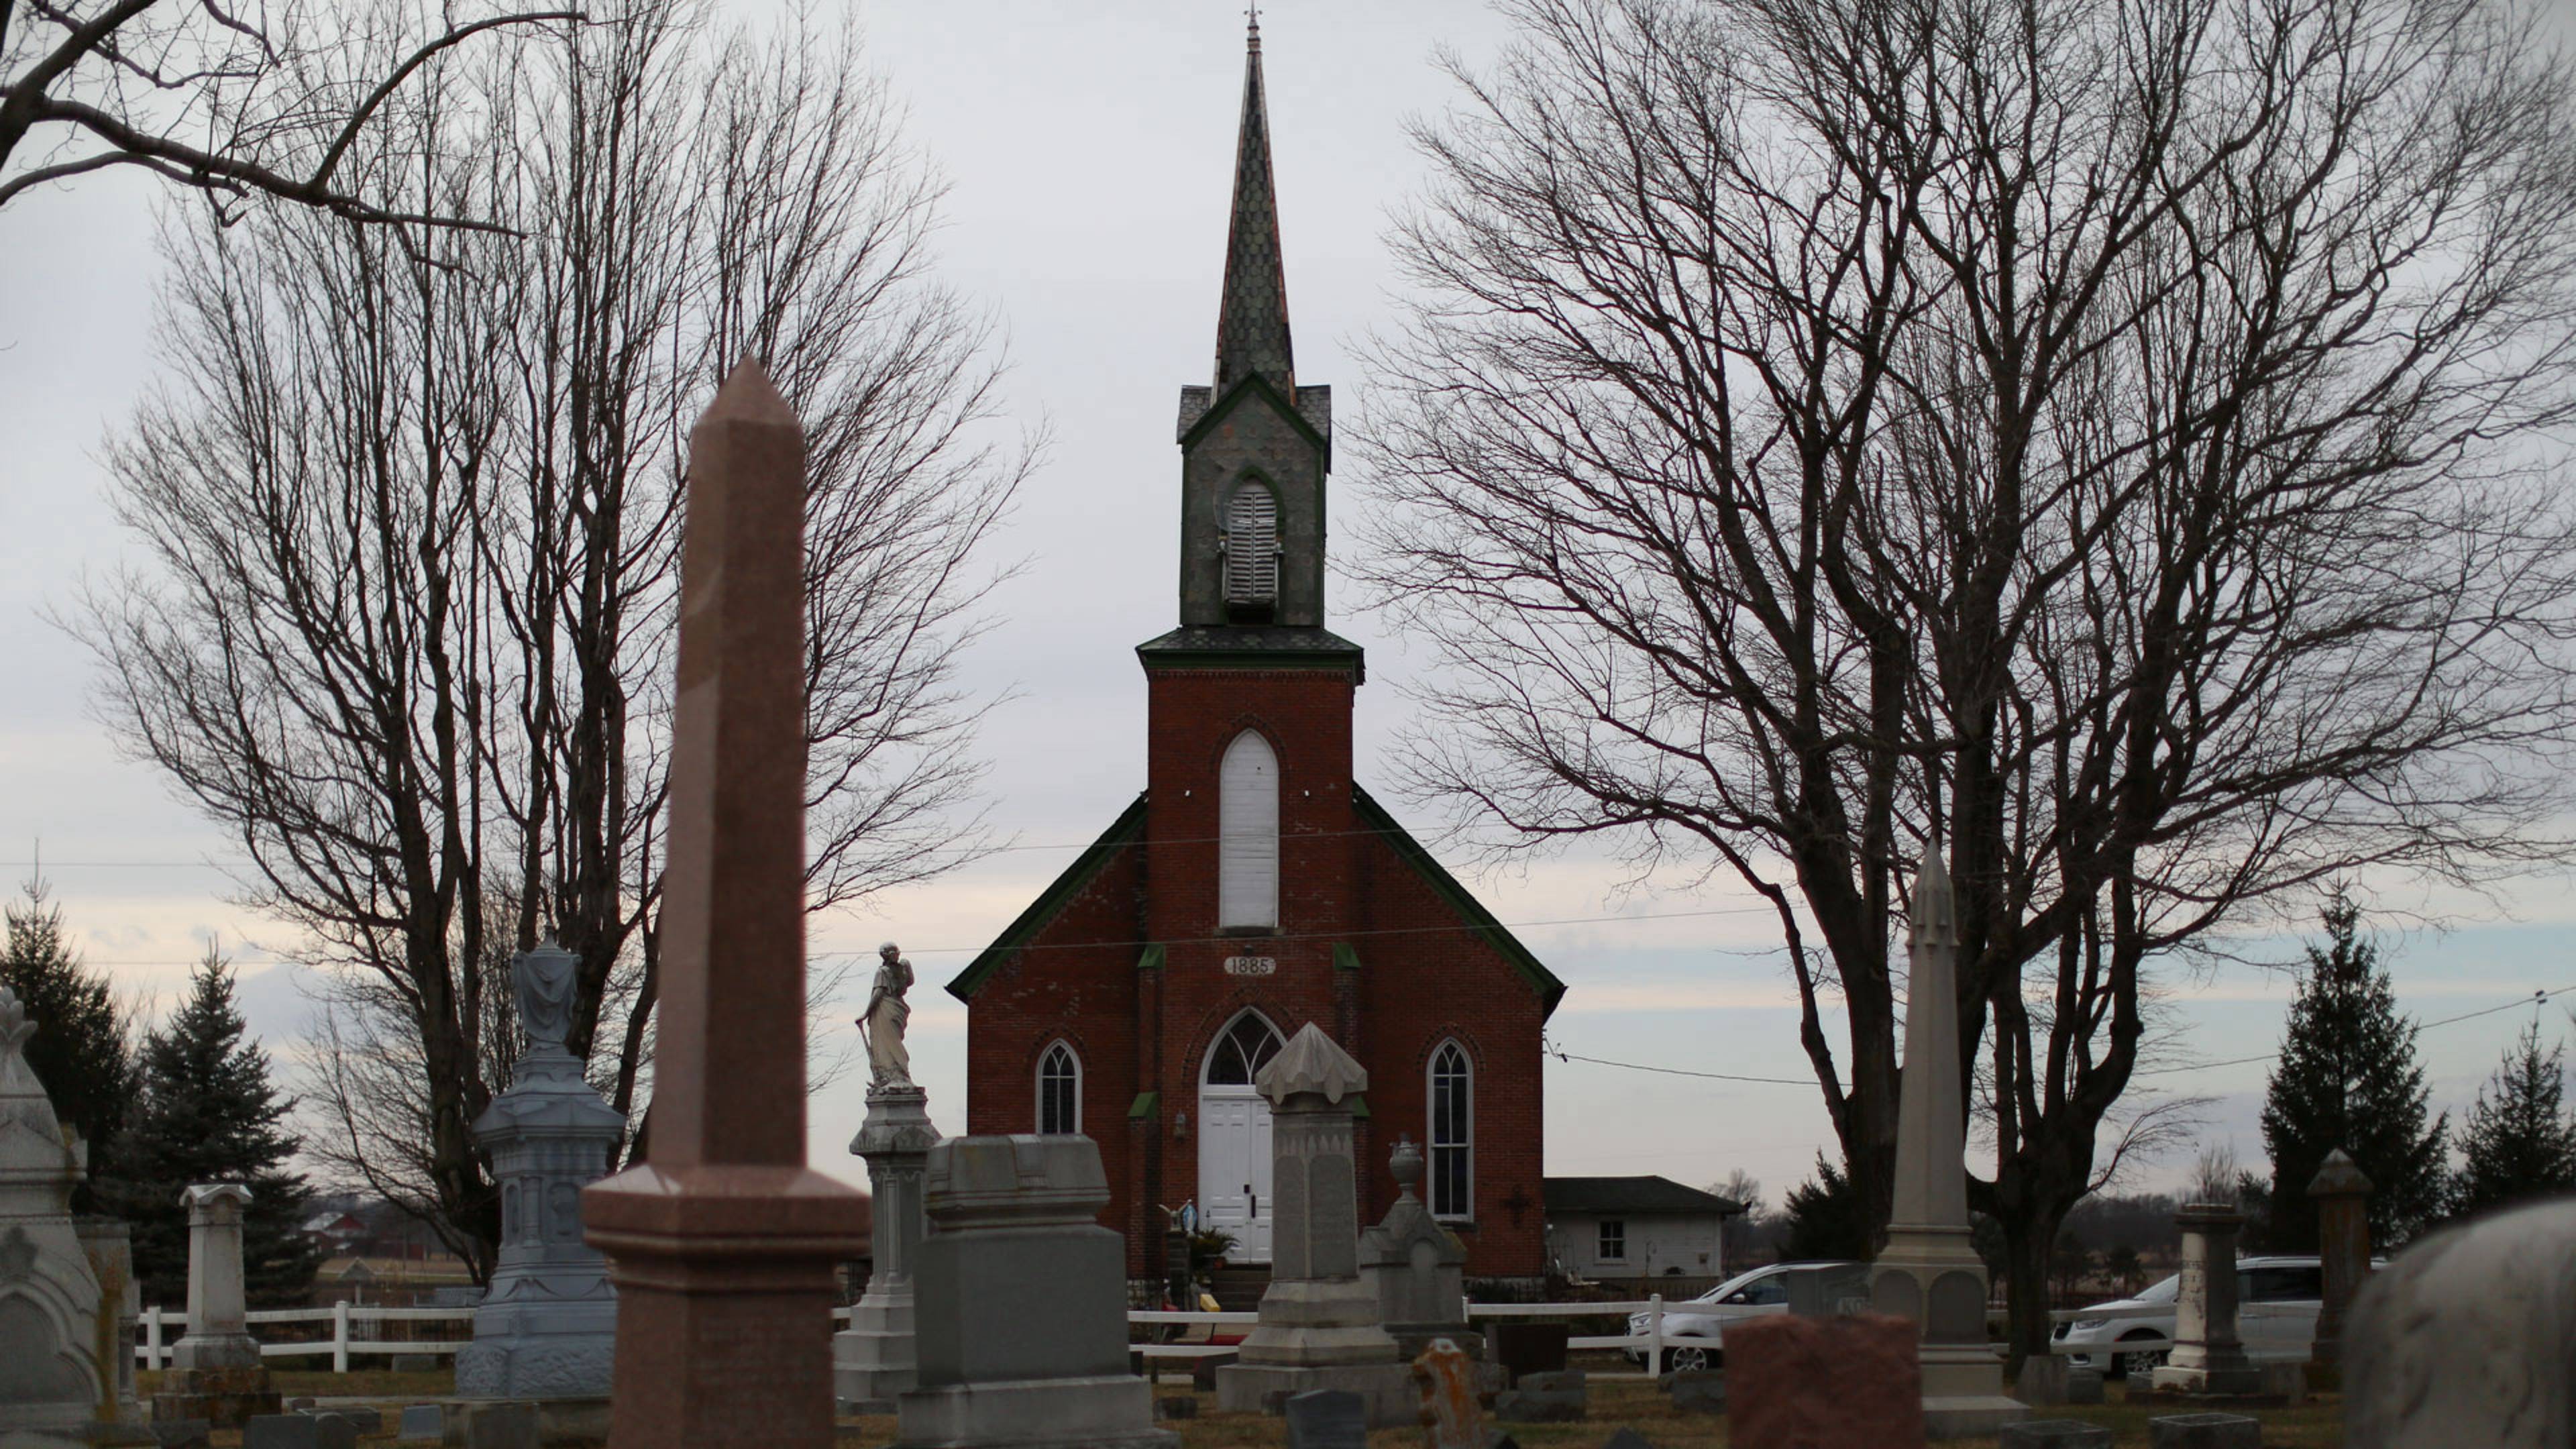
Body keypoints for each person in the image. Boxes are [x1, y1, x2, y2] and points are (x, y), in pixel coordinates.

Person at [860, 942, 914, 1089]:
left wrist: (866, 1014)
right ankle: (894, 1075)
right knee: (892, 1041)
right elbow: (910, 981)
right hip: (898, 1007)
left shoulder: (882, 972)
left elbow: (878, 993)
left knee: (887, 1041)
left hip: (886, 1007)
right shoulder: (902, 969)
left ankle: (895, 1075)